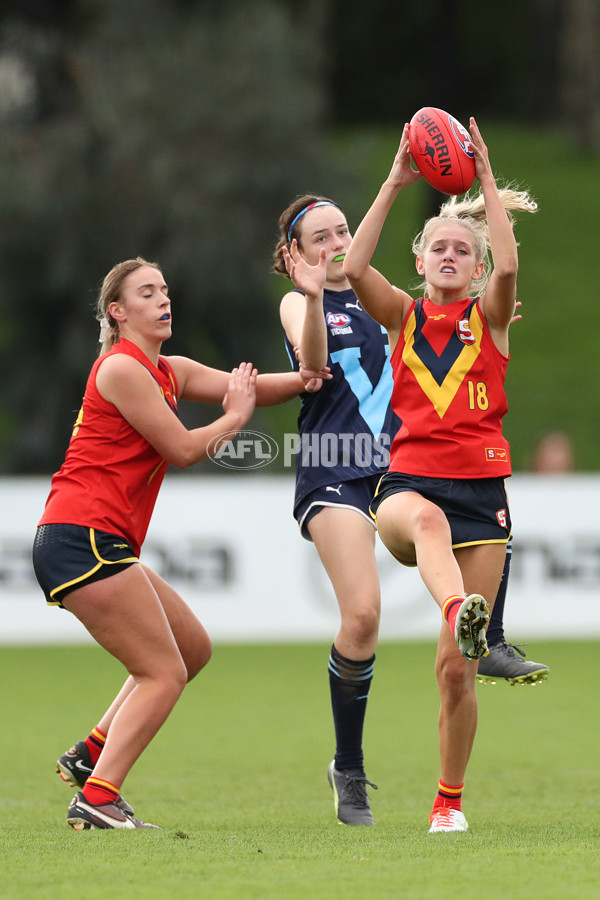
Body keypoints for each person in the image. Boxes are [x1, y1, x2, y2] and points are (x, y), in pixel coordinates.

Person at [33, 257, 326, 831]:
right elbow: (185, 449)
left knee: (191, 648)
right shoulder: (119, 369)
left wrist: (309, 378)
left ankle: (93, 749)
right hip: (79, 537)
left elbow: (243, 387)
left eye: (166, 289)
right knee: (162, 673)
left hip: (101, 541)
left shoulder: (168, 368)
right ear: (118, 312)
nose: (164, 299)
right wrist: (235, 418)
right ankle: (98, 797)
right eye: (148, 292)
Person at [342, 118, 538, 833]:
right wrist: (396, 179)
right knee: (423, 522)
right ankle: (462, 612)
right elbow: (353, 271)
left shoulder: (491, 317)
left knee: (457, 672)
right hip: (408, 489)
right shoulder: (401, 316)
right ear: (421, 261)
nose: (451, 255)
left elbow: (511, 268)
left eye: (464, 249)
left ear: (477, 268)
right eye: (439, 247)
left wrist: (484, 177)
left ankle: (448, 803)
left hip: (483, 497)